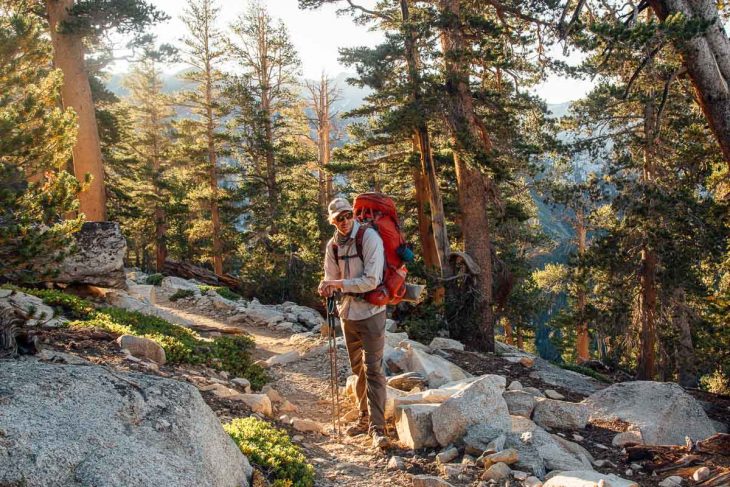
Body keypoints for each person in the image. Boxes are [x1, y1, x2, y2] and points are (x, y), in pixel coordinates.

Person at [318, 197, 389, 449]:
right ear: (333, 221)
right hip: (347, 313)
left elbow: (371, 280)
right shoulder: (333, 246)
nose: (345, 221)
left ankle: (378, 428)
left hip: (372, 312)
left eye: (348, 215)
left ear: (354, 214)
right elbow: (330, 276)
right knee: (357, 369)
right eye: (339, 218)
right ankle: (363, 417)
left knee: (373, 370)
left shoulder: (369, 238)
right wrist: (327, 286)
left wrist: (336, 285)